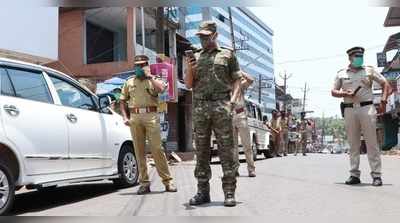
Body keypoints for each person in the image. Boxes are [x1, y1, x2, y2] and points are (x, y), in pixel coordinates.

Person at [185, 21, 242, 207]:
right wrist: (190, 67)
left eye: (206, 36)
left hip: (221, 104)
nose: (202, 40)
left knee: (227, 149)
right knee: (201, 150)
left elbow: (236, 81)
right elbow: (188, 84)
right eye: (200, 36)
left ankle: (229, 192)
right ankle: (203, 192)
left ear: (215, 35)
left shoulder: (227, 54)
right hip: (200, 106)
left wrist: (232, 102)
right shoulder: (195, 56)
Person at [331, 46, 391, 186]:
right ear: (350, 58)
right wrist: (345, 94)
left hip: (367, 108)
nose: (359, 59)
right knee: (353, 143)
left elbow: (385, 84)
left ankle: (376, 175)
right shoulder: (341, 73)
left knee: (371, 142)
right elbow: (333, 91)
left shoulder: (369, 71)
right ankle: (354, 174)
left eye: (361, 56)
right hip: (349, 110)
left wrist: (383, 100)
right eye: (357, 57)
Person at [120, 55, 177, 194]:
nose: (139, 68)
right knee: (139, 151)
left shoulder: (154, 79)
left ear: (147, 65)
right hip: (135, 116)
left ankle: (168, 182)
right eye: (137, 65)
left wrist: (149, 76)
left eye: (142, 65)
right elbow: (122, 100)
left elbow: (162, 89)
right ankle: (144, 183)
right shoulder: (129, 82)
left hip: (151, 115)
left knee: (157, 149)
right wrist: (125, 117)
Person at [232, 71, 256, 177]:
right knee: (233, 147)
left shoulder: (240, 83)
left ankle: (251, 169)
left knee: (247, 145)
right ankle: (235, 169)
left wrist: (239, 71)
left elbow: (251, 80)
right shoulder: (223, 84)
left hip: (240, 114)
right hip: (229, 116)